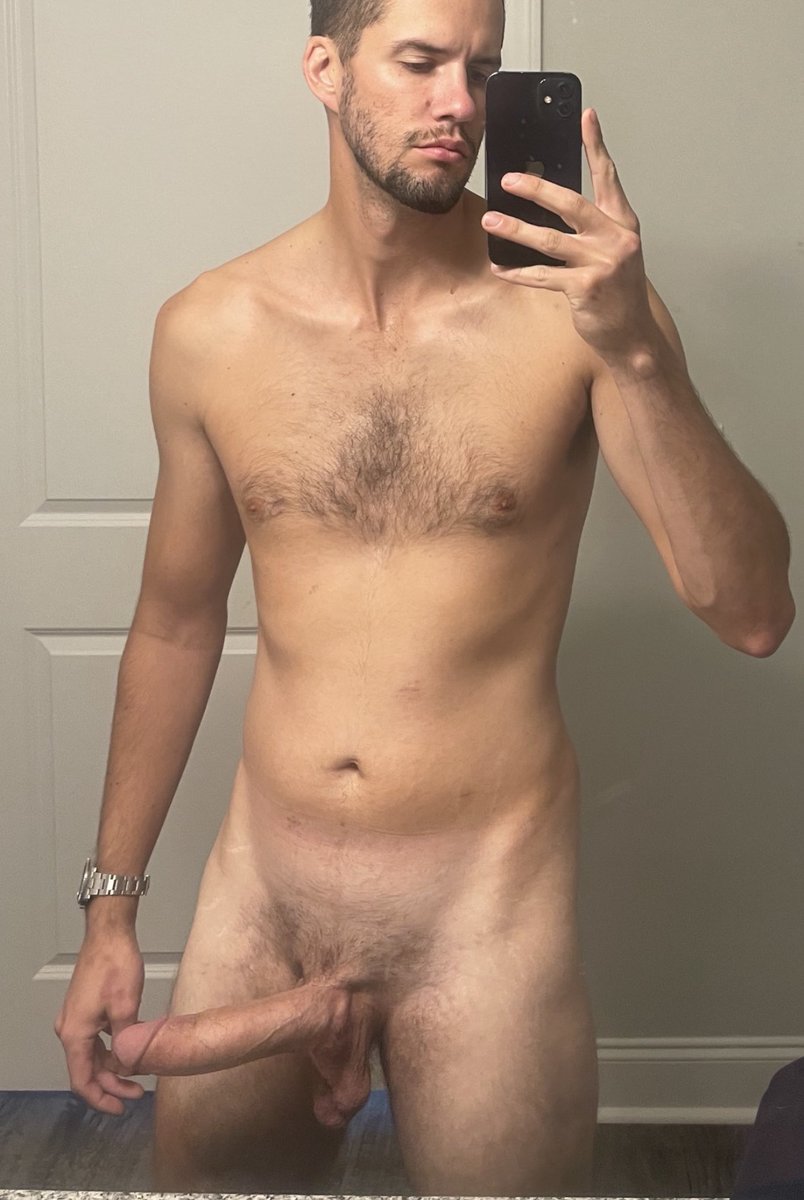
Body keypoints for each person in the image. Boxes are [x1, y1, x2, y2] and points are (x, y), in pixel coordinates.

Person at [54, 0, 796, 1193]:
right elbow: (175, 625)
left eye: (482, 68)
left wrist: (636, 348)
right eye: (419, 61)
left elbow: (751, 611)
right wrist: (110, 912)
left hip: (482, 915)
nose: (459, 102)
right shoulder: (211, 330)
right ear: (326, 68)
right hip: (266, 900)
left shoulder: (579, 316)